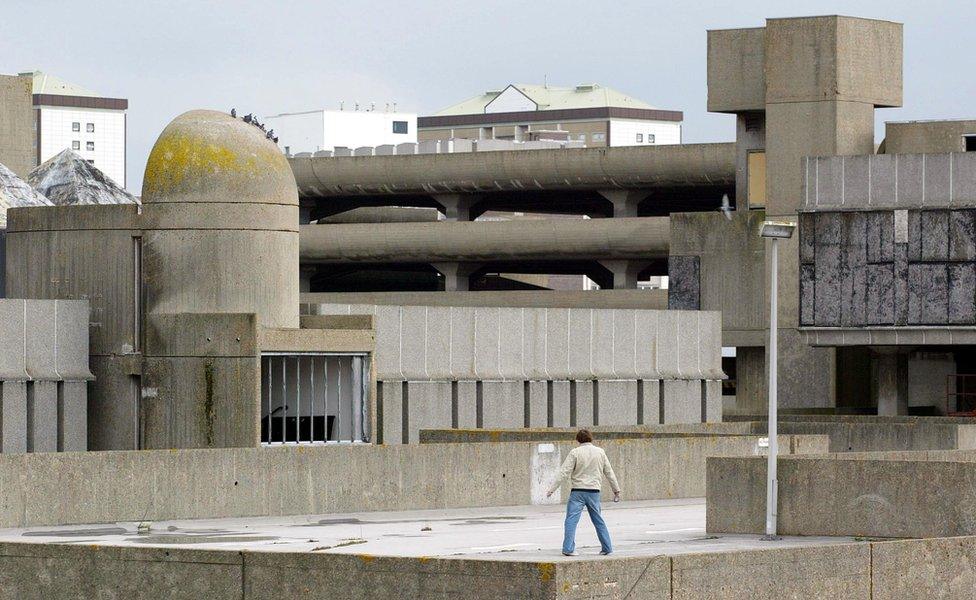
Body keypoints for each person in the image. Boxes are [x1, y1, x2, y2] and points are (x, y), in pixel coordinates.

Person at [546, 429, 621, 556]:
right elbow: (609, 472)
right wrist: (616, 489)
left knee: (571, 520)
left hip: (577, 492)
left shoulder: (575, 452)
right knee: (598, 520)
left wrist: (552, 489)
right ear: (591, 438)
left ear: (578, 440)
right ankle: (607, 547)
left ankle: (568, 549)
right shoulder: (600, 452)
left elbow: (564, 472)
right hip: (594, 492)